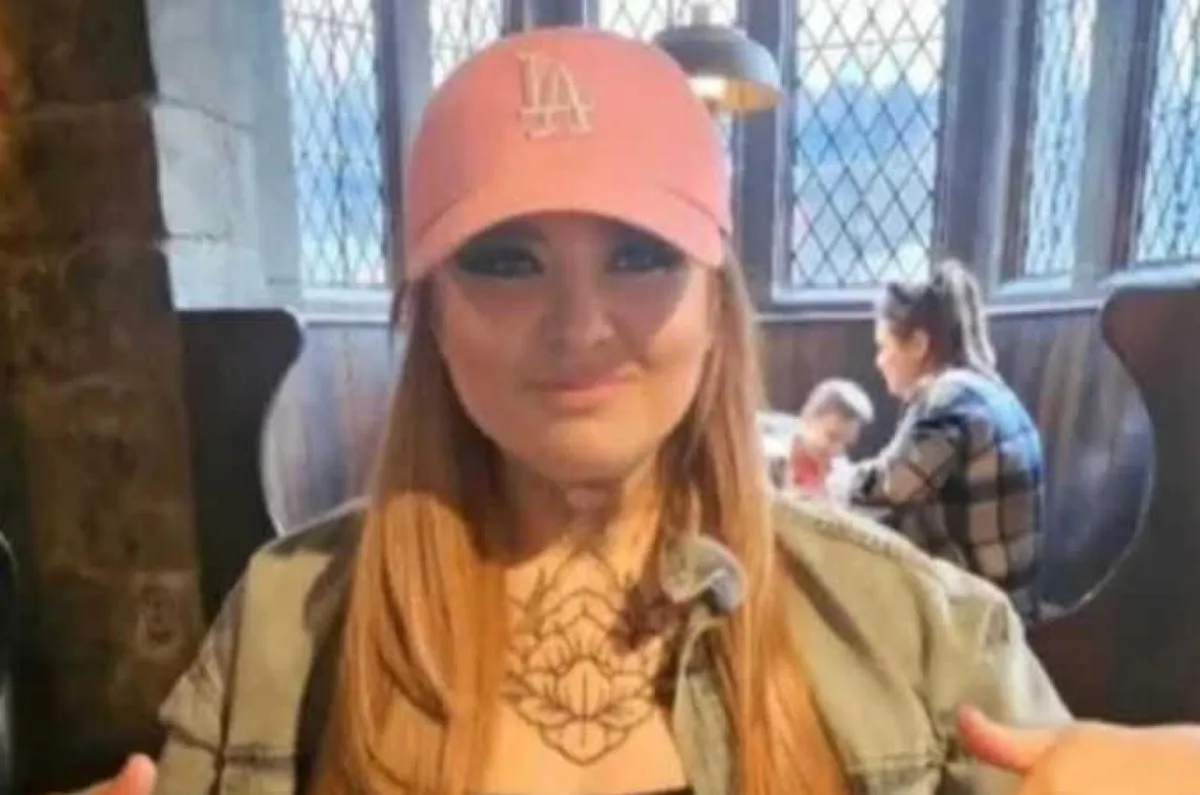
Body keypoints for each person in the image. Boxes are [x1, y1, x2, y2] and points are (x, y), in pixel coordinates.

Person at [86, 28, 1070, 795]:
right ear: (431, 317)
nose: (580, 328)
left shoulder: (922, 634)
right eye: (506, 261)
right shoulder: (285, 626)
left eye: (639, 256)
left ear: (715, 308)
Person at [830, 261, 1045, 623]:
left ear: (918, 343)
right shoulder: (987, 389)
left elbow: (892, 486)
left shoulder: (947, 397)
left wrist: (836, 478)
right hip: (1012, 604)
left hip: (984, 622)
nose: (879, 361)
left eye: (883, 347)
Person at [788, 378, 874, 495]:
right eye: (832, 437)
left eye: (846, 444)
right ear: (807, 419)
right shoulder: (778, 458)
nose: (837, 450)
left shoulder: (839, 470)